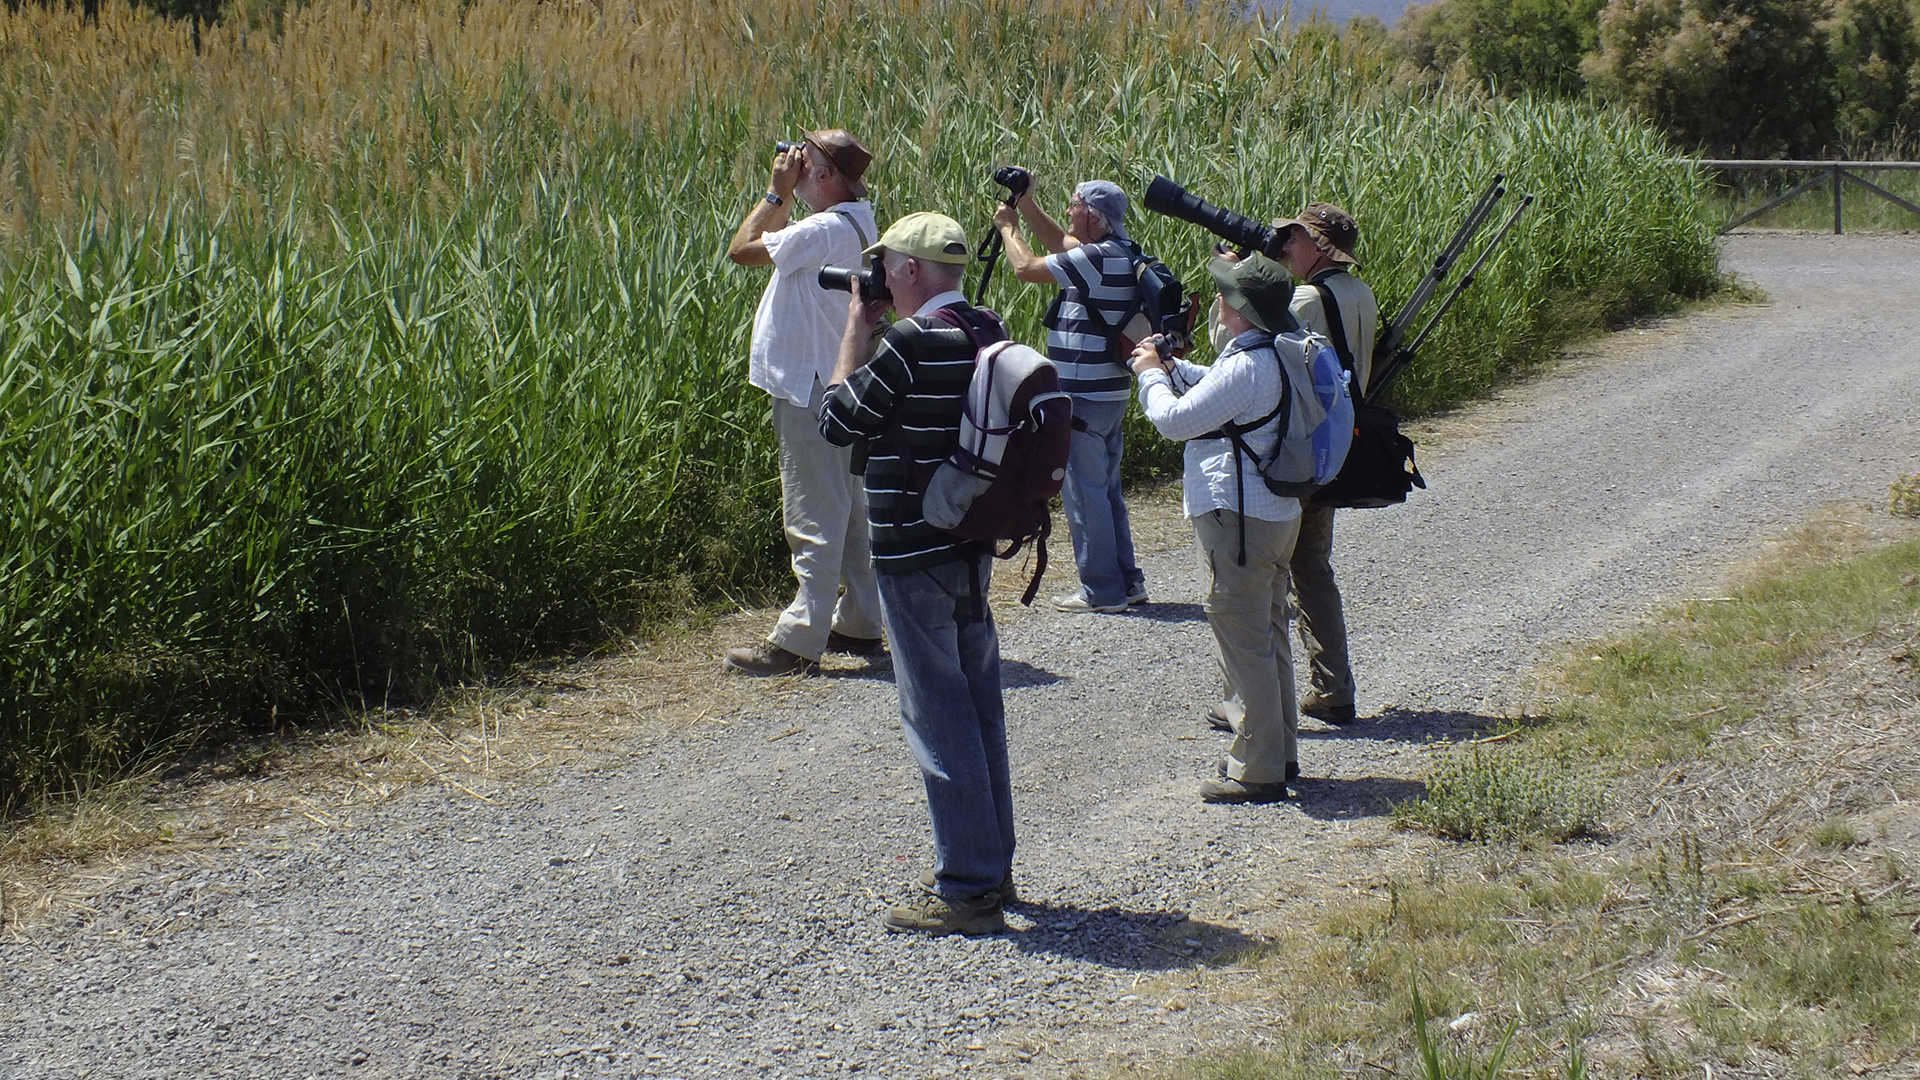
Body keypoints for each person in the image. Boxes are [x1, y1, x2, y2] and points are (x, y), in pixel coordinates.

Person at [818, 212, 1014, 935]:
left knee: (937, 714)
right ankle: (994, 869)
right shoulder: (985, 326)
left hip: (909, 546)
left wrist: (854, 330)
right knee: (978, 705)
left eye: (885, 267)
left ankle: (966, 888)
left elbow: (840, 420)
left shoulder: (907, 340)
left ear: (906, 271)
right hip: (968, 540)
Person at [1130, 253, 1309, 804]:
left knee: (1243, 638)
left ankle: (1257, 769)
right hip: (1277, 514)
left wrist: (1150, 377)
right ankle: (1280, 752)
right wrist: (1176, 369)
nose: (1217, 302)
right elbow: (1225, 394)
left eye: (1226, 295)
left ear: (1241, 309)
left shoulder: (1247, 364)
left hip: (1239, 520)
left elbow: (1174, 422)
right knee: (1269, 630)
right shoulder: (1281, 349)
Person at [721, 130, 886, 677]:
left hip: (810, 385)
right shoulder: (861, 218)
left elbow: (741, 250)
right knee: (851, 506)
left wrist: (775, 193)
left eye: (805, 161)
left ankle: (799, 638)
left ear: (825, 176)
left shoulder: (821, 227)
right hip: (841, 381)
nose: (795, 165)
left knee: (813, 510)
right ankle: (862, 618)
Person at [991, 177, 1148, 614]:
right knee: (1107, 490)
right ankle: (1127, 581)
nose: (1068, 210)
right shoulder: (1118, 251)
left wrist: (1008, 228)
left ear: (1095, 217)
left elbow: (1026, 268)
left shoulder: (1095, 258)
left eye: (1075, 204)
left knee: (1083, 493)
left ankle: (1102, 590)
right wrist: (1027, 205)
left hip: (1081, 396)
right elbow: (1062, 242)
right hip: (1109, 393)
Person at [1276, 202, 1377, 726]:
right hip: (1337, 444)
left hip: (1299, 449)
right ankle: (1334, 686)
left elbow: (1250, 347)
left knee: (1271, 572)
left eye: (1294, 239)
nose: (1286, 247)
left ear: (1318, 247)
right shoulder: (1358, 292)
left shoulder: (1306, 298)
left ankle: (1261, 702)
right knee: (1314, 569)